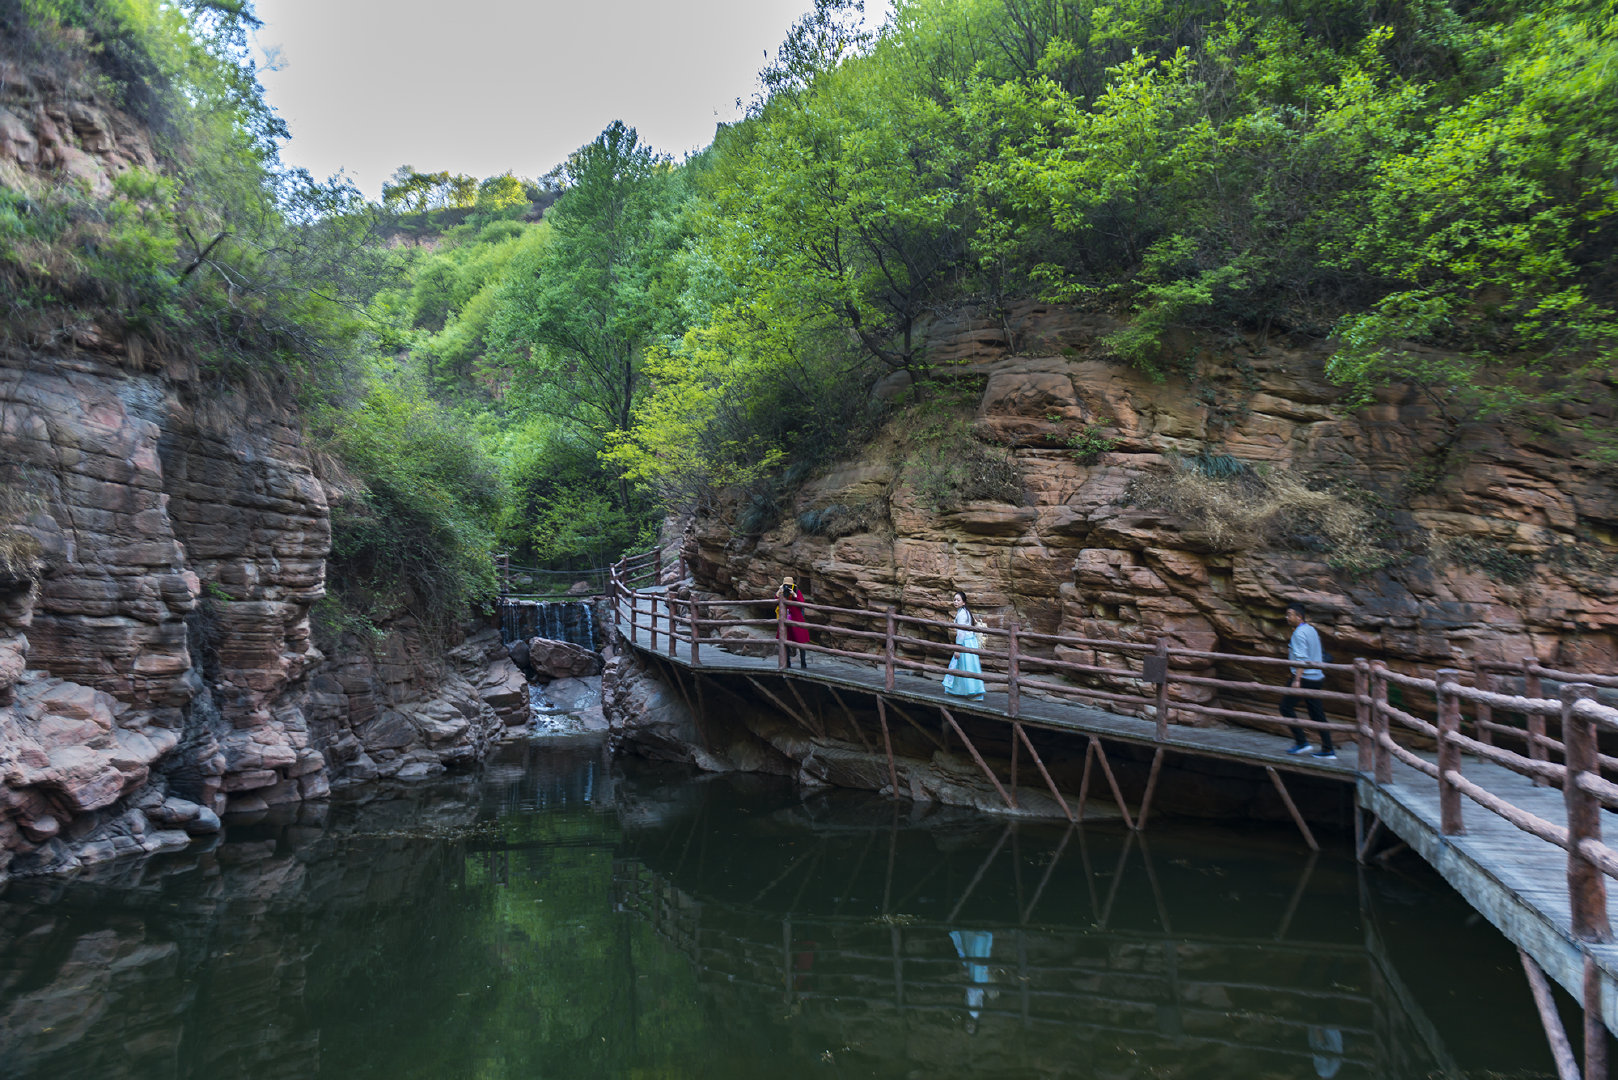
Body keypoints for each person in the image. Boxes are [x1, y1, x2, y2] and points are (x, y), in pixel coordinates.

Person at [1282, 601, 1334, 759]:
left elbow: (1302, 658)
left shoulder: (1299, 633)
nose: (1287, 617)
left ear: (1299, 616)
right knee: (1317, 714)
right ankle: (1328, 749)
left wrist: (1296, 680)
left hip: (1304, 677)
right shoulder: (1311, 630)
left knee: (1285, 707)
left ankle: (1302, 742)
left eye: (1289, 614)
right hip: (1316, 677)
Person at [942, 590, 986, 700]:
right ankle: (969, 691)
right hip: (971, 642)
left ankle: (971, 692)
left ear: (963, 602)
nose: (956, 602)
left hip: (965, 643)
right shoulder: (966, 612)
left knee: (965, 666)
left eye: (958, 600)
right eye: (954, 600)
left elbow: (961, 633)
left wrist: (958, 648)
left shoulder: (962, 614)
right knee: (969, 666)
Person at [776, 576, 810, 669]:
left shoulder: (797, 592)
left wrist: (794, 595)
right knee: (785, 642)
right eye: (786, 585)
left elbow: (801, 602)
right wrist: (780, 591)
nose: (788, 587)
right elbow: (776, 599)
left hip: (796, 619)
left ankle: (803, 663)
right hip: (785, 621)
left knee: (800, 643)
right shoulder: (782, 591)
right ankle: (787, 663)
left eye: (789, 585)